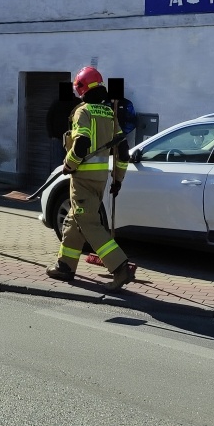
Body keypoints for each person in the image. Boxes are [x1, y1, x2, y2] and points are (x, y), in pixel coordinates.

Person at [46, 65, 136, 290]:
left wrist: (69, 163)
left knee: (89, 223)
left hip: (83, 178)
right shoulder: (109, 113)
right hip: (101, 179)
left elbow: (82, 144)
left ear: (82, 88)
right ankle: (65, 266)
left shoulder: (82, 111)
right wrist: (118, 179)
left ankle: (120, 267)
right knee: (73, 220)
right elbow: (123, 151)